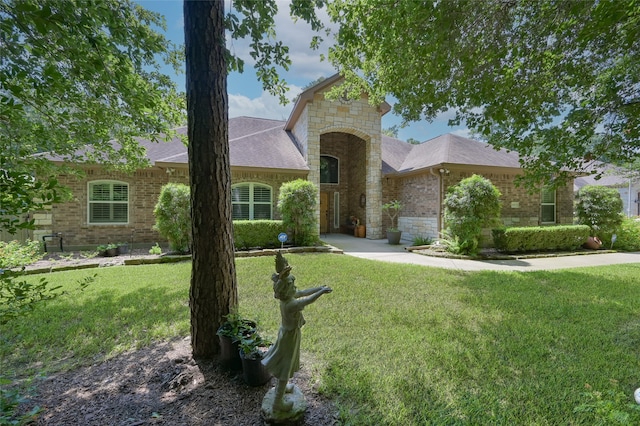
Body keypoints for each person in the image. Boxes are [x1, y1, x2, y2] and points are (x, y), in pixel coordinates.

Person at [262, 253, 332, 412]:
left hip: (287, 334)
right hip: (289, 338)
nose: (295, 288)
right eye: (292, 286)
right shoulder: (290, 305)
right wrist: (320, 293)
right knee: (285, 367)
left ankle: (283, 386)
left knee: (286, 364)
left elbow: (304, 292)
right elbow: (306, 300)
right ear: (286, 290)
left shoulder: (288, 297)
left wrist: (320, 288)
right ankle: (277, 403)